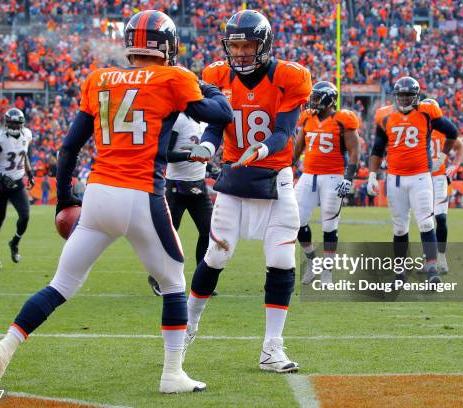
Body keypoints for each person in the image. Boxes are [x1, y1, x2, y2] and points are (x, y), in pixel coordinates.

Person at [0, 10, 232, 394]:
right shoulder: (174, 77)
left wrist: (65, 198)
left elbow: (68, 148)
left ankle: (5, 347)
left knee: (61, 284)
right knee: (174, 281)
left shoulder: (99, 78)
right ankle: (172, 374)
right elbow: (222, 113)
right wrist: (201, 84)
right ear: (166, 45)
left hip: (97, 194)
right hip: (142, 193)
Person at [182, 10, 312, 373]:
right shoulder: (216, 75)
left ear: (264, 45)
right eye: (235, 45)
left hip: (276, 177)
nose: (239, 52)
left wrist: (264, 149)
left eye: (247, 45)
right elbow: (214, 126)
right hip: (235, 184)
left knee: (282, 261)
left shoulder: (289, 77)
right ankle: (187, 326)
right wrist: (208, 147)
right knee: (216, 256)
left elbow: (285, 132)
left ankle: (272, 347)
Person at [367, 77, 458, 285]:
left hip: (420, 177)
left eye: (409, 95)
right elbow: (377, 148)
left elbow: (452, 133)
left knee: (426, 222)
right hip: (395, 178)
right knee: (399, 228)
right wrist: (372, 174)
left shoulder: (427, 112)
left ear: (416, 96)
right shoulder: (385, 115)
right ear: (395, 96)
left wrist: (442, 157)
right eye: (401, 95)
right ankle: (400, 273)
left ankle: (432, 269)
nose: (405, 99)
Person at [293, 81, 361, 284]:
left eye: (317, 97)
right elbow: (298, 148)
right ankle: (313, 262)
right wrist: (287, 167)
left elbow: (355, 151)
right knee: (296, 220)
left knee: (329, 225)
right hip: (308, 175)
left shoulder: (343, 119)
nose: (313, 102)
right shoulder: (307, 118)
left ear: (329, 99)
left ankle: (327, 272)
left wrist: (349, 178)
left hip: (333, 176)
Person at [147, 113, 216, 297]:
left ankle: (201, 281)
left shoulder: (203, 121)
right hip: (177, 185)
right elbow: (165, 154)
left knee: (208, 231)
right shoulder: (179, 120)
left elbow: (200, 155)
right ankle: (157, 277)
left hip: (198, 185)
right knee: (169, 232)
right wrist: (190, 155)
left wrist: (210, 168)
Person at [0, 108, 35, 268]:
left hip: (17, 183)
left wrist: (30, 172)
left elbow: (23, 155)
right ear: (6, 123)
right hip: (1, 185)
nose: (14, 126)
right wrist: (0, 176)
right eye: (11, 123)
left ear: (22, 124)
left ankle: (15, 242)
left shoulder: (27, 135)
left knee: (25, 216)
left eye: (16, 123)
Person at [423, 99, 463, 274]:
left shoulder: (442, 130)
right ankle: (429, 258)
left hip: (439, 178)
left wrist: (454, 166)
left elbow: (461, 147)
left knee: (440, 218)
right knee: (425, 220)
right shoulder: (418, 129)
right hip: (421, 178)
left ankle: (441, 257)